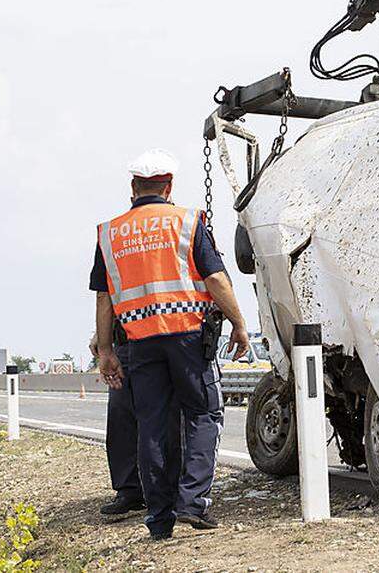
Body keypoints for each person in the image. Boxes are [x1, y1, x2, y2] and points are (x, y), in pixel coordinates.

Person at [90, 148, 249, 539]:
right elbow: (215, 279)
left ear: (133, 187)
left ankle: (159, 520)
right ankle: (192, 503)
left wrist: (107, 350)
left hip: (141, 342)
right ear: (169, 185)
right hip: (187, 338)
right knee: (203, 414)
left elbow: (103, 297)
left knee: (151, 427)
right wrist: (239, 324)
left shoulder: (110, 232)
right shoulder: (187, 222)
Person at [87, 329, 183, 517]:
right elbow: (106, 299)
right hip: (127, 341)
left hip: (164, 337)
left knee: (168, 418)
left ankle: (171, 491)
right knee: (121, 416)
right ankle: (129, 491)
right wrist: (101, 334)